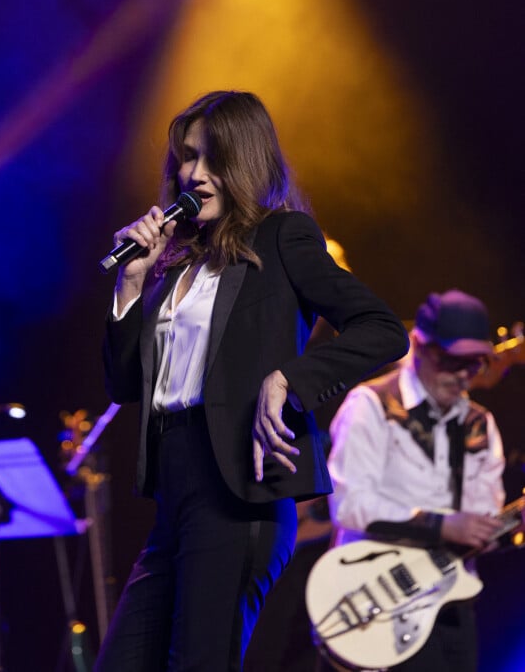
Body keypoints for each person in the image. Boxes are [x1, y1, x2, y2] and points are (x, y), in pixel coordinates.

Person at [95, 89, 408, 672]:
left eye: (213, 157)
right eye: (187, 157)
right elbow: (123, 385)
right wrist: (131, 287)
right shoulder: (176, 264)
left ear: (248, 161)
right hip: (176, 491)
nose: (195, 172)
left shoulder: (283, 237)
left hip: (241, 488)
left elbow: (383, 329)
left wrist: (289, 378)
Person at [326, 289, 509, 672]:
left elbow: (484, 517)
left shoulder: (480, 425)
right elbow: (348, 505)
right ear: (419, 345)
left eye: (474, 364)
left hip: (452, 607)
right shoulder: (370, 405)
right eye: (452, 360)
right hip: (372, 604)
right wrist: (442, 525)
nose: (462, 375)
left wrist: (497, 530)